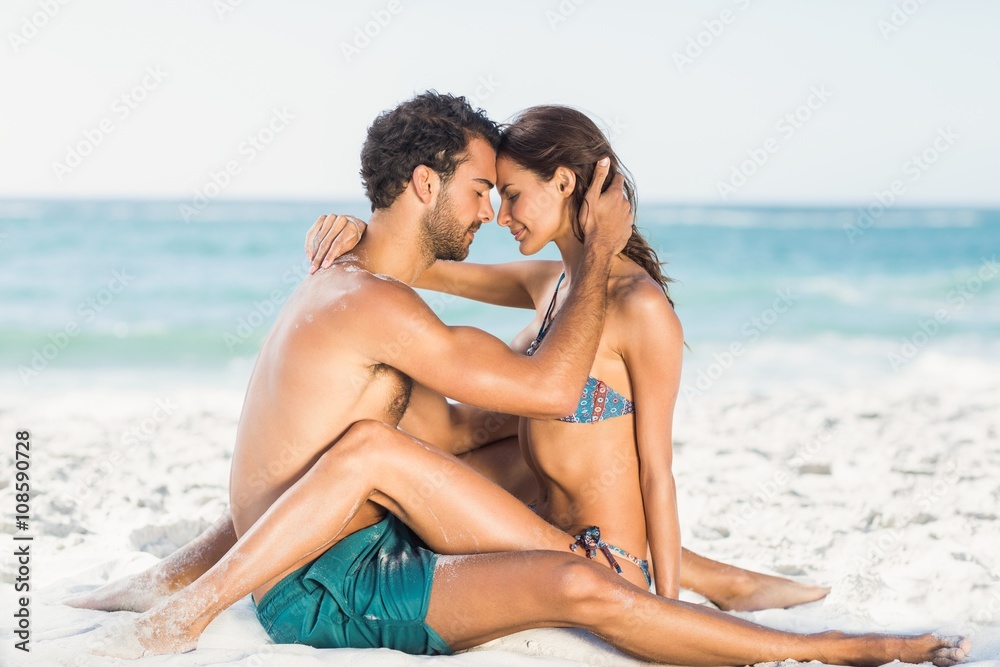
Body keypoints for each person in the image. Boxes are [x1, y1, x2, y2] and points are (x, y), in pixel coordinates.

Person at [62, 92, 968, 666]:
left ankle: (697, 577)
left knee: (473, 431)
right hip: (333, 577)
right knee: (429, 450)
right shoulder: (391, 300)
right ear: (425, 183)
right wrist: (599, 250)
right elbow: (540, 381)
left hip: (335, 538)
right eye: (481, 190)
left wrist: (361, 228)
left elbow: (455, 304)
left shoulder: (372, 287)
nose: (492, 211)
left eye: (508, 193)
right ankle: (836, 642)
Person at [303, 105, 831, 608]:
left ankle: (721, 583)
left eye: (511, 195)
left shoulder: (638, 307)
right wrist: (358, 231)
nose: (499, 215)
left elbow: (656, 473)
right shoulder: (551, 283)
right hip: (543, 526)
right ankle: (725, 580)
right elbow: (418, 263)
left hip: (597, 561)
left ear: (562, 182)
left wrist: (666, 607)